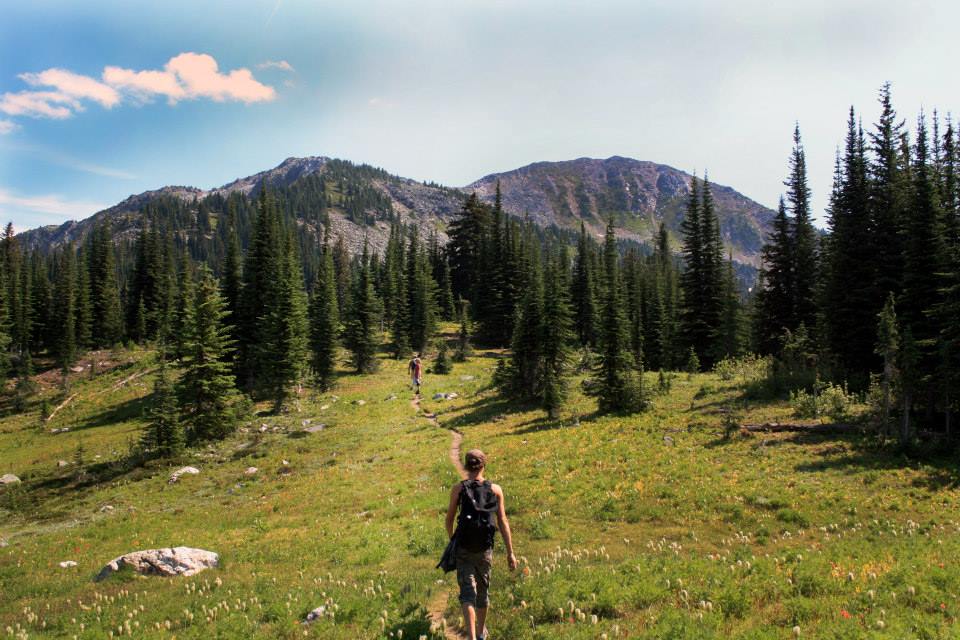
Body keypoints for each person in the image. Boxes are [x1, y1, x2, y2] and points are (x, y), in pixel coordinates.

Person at [444, 449, 517, 640]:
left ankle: (471, 637)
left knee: (467, 594)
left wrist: (453, 540)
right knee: (482, 593)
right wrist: (510, 552)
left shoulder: (458, 489)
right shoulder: (496, 490)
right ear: (484, 465)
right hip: (485, 549)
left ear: (466, 466)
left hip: (464, 548)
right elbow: (503, 521)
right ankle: (480, 633)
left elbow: (449, 519)